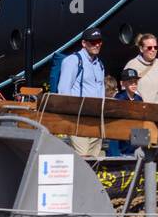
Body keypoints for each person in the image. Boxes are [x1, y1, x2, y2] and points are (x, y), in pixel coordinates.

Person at [57, 27, 107, 159]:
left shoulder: (100, 64)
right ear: (84, 43)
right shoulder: (72, 61)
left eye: (99, 41)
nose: (97, 44)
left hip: (96, 120)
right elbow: (63, 91)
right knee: (82, 158)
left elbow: (101, 92)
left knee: (95, 159)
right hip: (78, 119)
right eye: (92, 42)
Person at [125, 32, 158, 110]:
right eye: (149, 47)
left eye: (155, 47)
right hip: (138, 111)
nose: (153, 50)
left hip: (157, 112)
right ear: (141, 49)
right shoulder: (131, 65)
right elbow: (125, 90)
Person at [107, 68, 143, 157]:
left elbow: (141, 122)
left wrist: (140, 146)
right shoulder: (118, 99)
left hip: (133, 143)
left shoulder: (139, 99)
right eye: (130, 82)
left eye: (136, 82)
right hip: (119, 143)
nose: (134, 84)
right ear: (122, 83)